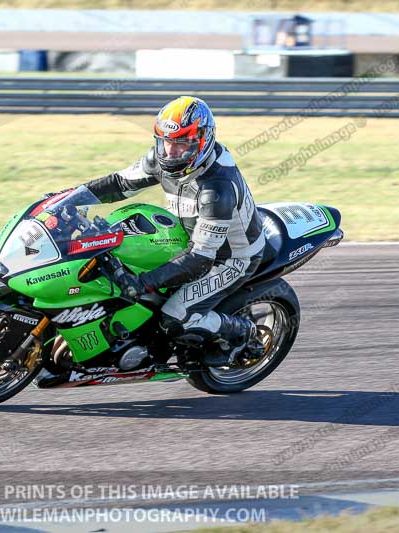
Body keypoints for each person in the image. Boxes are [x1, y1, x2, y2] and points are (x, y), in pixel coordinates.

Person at [79, 96, 266, 365]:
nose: (171, 152)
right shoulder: (162, 157)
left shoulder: (217, 189)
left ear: (203, 141)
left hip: (230, 258)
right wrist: (70, 199)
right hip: (188, 235)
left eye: (181, 144)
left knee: (175, 317)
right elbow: (120, 183)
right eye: (166, 142)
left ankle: (242, 331)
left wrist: (142, 283)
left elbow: (201, 258)